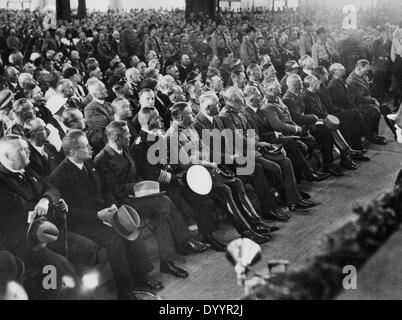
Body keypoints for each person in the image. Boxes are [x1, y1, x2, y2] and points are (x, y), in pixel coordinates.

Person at [49, 130, 172, 299]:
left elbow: (105, 190)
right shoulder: (59, 176)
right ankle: (125, 291)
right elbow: (71, 213)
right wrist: (98, 216)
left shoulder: (88, 163)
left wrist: (111, 205)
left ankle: (141, 278)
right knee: (114, 238)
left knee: (129, 227)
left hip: (104, 212)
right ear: (72, 152)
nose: (91, 147)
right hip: (84, 222)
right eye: (86, 146)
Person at [0, 135, 97, 300]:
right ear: (8, 156)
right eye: (22, 150)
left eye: (27, 148)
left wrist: (46, 200)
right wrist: (50, 203)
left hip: (47, 231)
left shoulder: (28, 170)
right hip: (23, 242)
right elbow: (24, 209)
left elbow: (53, 189)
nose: (28, 151)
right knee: (59, 265)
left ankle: (71, 286)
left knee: (88, 248)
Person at [282, 74, 344, 176]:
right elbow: (296, 118)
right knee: (326, 136)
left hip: (307, 126)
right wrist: (313, 117)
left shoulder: (297, 95)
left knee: (329, 131)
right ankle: (328, 165)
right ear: (296, 85)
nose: (302, 85)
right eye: (300, 83)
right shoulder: (288, 99)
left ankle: (333, 162)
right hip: (301, 129)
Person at [327, 63, 386, 145]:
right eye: (341, 69)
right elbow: (341, 100)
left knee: (370, 112)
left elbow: (347, 96)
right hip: (343, 109)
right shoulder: (332, 85)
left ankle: (371, 136)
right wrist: (350, 99)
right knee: (361, 113)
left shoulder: (339, 80)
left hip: (349, 105)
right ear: (336, 72)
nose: (344, 70)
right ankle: (369, 137)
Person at [346, 60, 394, 141]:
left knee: (386, 108)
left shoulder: (363, 76)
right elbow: (359, 98)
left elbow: (367, 90)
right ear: (359, 67)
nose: (368, 71)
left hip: (368, 101)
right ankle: (372, 136)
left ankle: (396, 132)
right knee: (375, 111)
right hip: (359, 104)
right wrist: (373, 101)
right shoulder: (351, 81)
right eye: (366, 68)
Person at [84, 79, 113, 153]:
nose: (106, 90)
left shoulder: (109, 105)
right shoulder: (89, 109)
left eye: (104, 88)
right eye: (102, 89)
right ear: (94, 92)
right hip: (105, 146)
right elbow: (106, 124)